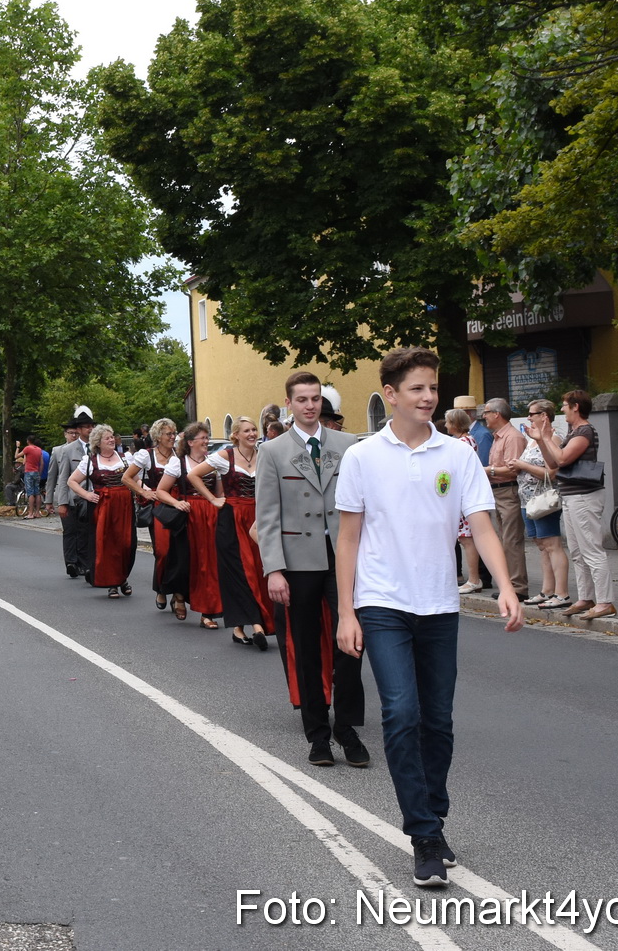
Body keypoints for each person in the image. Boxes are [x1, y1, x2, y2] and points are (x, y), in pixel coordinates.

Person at [335, 346, 523, 888]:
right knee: (401, 713)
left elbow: (481, 524)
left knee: (437, 721)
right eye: (417, 389)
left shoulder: (458, 455)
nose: (428, 397)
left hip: (439, 604)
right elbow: (347, 541)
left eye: (433, 388)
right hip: (382, 603)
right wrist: (347, 612)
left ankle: (433, 817)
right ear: (391, 395)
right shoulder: (364, 457)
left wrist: (505, 587)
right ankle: (422, 835)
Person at [258, 372, 368, 768]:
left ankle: (348, 729)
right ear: (289, 404)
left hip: (342, 557)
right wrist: (274, 569)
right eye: (301, 399)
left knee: (351, 643)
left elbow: (363, 504)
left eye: (315, 398)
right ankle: (317, 734)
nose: (309, 405)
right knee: (305, 647)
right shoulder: (272, 451)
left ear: (322, 403)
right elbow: (267, 514)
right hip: (297, 560)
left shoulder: (347, 445)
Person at [189, 420, 274, 649]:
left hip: (258, 518)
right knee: (238, 571)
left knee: (258, 570)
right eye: (247, 430)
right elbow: (194, 475)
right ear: (235, 435)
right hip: (232, 519)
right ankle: (256, 624)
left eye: (254, 429)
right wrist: (213, 499)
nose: (252, 433)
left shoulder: (264, 454)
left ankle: (239, 628)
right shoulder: (226, 456)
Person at [534, 390, 613, 619]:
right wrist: (542, 440)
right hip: (571, 496)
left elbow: (561, 459)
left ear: (576, 406)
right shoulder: (573, 432)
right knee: (578, 552)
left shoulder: (585, 431)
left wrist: (547, 438)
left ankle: (605, 602)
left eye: (565, 405)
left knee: (591, 550)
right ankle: (586, 598)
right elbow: (552, 465)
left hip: (584, 496)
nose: (562, 409)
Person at [125, 418, 190, 616]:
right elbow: (126, 477)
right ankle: (162, 589)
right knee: (162, 552)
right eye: (168, 434)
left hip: (181, 507)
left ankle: (178, 597)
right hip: (160, 508)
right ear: (157, 437)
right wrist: (144, 492)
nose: (172, 437)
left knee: (181, 554)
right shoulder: (146, 455)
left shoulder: (181, 455)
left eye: (174, 433)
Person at [508, 400, 569, 610]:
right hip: (528, 500)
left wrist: (522, 465)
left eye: (532, 413)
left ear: (544, 416)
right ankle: (547, 590)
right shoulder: (532, 439)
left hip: (544, 500)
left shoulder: (553, 438)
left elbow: (551, 472)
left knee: (552, 545)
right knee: (542, 546)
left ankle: (561, 593)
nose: (528, 417)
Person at [68, 424, 135, 597]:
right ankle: (113, 583)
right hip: (102, 507)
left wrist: (147, 492)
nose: (112, 439)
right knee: (107, 544)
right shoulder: (90, 461)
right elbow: (72, 481)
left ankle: (123, 577)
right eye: (107, 438)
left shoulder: (126, 458)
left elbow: (135, 481)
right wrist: (87, 495)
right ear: (98, 442)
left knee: (126, 543)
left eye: (112, 436)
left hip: (124, 506)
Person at [480, 398, 530, 601]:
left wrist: (486, 470)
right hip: (498, 491)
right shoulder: (498, 437)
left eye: (486, 412)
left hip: (508, 491)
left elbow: (513, 469)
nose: (484, 416)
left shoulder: (512, 437)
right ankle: (510, 585)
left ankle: (518, 587)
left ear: (496, 414)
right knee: (503, 540)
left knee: (511, 540)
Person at [175, 423, 224, 629]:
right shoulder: (178, 463)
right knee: (188, 563)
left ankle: (208, 611)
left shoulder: (214, 462)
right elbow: (161, 490)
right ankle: (180, 594)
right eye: (203, 438)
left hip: (211, 515)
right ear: (190, 442)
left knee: (210, 563)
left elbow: (220, 494)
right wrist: (177, 502)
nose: (206, 442)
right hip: (188, 517)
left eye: (207, 437)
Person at [442, 409, 485, 594]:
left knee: (467, 539)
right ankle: (474, 578)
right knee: (465, 538)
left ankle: (474, 579)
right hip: (464, 494)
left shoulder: (462, 443)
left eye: (447, 422)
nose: (445, 425)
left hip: (462, 496)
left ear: (454, 424)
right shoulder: (469, 440)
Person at [50, 407, 96, 578]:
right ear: (78, 429)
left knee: (87, 532)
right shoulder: (68, 450)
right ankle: (72, 562)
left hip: (94, 497)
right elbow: (62, 478)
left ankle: (86, 564)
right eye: (86, 427)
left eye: (91, 426)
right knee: (71, 531)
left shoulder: (98, 447)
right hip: (73, 498)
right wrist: (60, 503)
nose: (90, 429)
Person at [453, 395, 493, 469]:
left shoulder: (483, 434)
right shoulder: (455, 435)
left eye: (456, 415)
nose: (453, 419)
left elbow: (484, 464)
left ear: (467, 414)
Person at [20, 435, 46, 519]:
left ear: (28, 441)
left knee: (30, 492)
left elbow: (16, 456)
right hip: (36, 472)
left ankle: (30, 513)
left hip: (28, 472)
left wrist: (17, 447)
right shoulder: (39, 450)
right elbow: (41, 463)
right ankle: (37, 512)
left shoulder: (27, 448)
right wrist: (40, 472)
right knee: (37, 492)